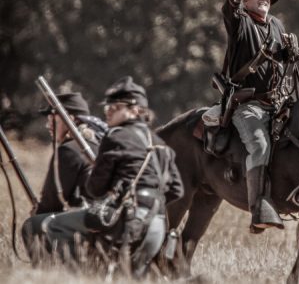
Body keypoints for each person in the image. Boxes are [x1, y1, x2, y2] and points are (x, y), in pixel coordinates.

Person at [46, 77, 183, 277]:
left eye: (116, 107)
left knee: (53, 225)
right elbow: (176, 190)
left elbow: (94, 189)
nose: (109, 110)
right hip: (157, 227)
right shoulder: (159, 142)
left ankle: (82, 278)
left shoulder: (115, 136)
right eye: (108, 107)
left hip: (125, 224)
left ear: (137, 110)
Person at [221, 0, 296, 232]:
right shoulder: (241, 22)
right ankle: (259, 207)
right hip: (248, 105)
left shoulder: (277, 25)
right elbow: (230, 10)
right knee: (260, 146)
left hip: (278, 103)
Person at [21, 92, 102, 261]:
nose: (48, 124)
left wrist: (38, 211)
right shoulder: (98, 145)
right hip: (104, 219)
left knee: (32, 226)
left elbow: (52, 203)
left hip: (86, 221)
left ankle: (48, 275)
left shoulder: (68, 150)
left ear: (70, 119)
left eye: (53, 117)